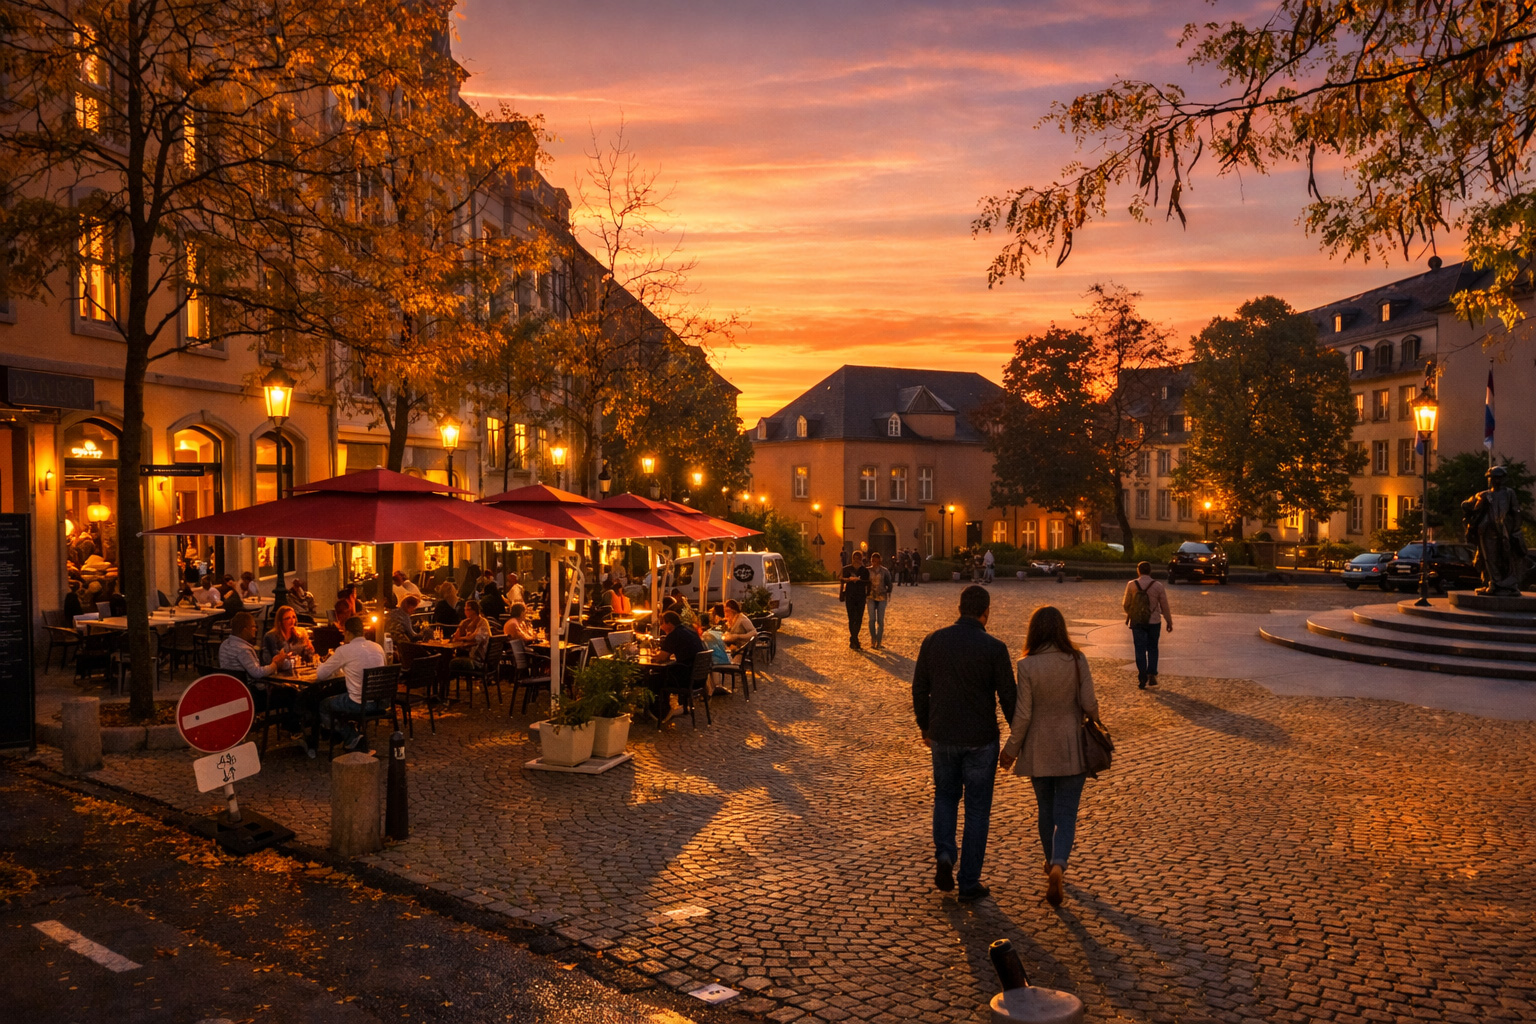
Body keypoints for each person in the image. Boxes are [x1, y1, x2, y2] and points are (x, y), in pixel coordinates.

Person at [911, 585, 1017, 903]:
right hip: (980, 739)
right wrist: (1018, 738)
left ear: (959, 609)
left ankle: (945, 854)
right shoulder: (995, 648)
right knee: (977, 810)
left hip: (943, 735)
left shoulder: (933, 641)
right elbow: (1009, 698)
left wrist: (925, 725)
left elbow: (919, 688)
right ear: (986, 612)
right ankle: (969, 882)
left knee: (945, 797)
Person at [999, 606, 1101, 906]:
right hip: (1072, 746)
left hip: (1038, 747)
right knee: (1066, 813)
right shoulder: (1077, 660)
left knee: (1045, 810)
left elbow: (1023, 714)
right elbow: (1089, 703)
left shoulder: (1027, 665)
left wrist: (1010, 750)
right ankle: (1059, 864)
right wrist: (1094, 718)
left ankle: (1049, 861)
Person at [316, 616, 387, 752]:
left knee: (324, 705)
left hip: (359, 704)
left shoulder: (344, 650)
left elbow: (321, 674)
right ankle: (339, 734)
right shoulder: (378, 647)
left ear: (347, 632)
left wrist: (321, 664)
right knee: (341, 697)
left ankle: (349, 736)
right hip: (380, 702)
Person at [1463, 464, 1527, 595]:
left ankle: (1510, 585)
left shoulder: (1509, 493)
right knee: (1489, 559)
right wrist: (1472, 505)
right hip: (1486, 532)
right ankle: (1493, 583)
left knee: (1507, 558)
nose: (1495, 480)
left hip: (1504, 532)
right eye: (1492, 478)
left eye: (1498, 477)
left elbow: (1516, 511)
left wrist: (1515, 530)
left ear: (1503, 479)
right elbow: (1466, 505)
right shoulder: (1483, 495)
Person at [1123, 560, 1173, 689]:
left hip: (1138, 622)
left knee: (1139, 649)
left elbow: (1126, 604)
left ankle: (1142, 676)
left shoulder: (1131, 585)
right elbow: (1164, 606)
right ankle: (1152, 673)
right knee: (1153, 648)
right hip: (1154, 621)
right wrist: (1169, 621)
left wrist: (1134, 613)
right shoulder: (1158, 586)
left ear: (1138, 571)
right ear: (1150, 571)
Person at [653, 610, 705, 724]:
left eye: (662, 623)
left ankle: (660, 711)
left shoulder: (674, 635)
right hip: (699, 678)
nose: (661, 627)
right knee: (663, 674)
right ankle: (665, 709)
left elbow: (662, 657)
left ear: (669, 623)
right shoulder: (690, 631)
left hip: (685, 679)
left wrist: (652, 655)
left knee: (654, 678)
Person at [449, 598, 491, 677]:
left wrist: (461, 638)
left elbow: (475, 637)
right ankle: (445, 680)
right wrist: (459, 631)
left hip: (478, 658)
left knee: (448, 660)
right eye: (464, 609)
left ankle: (446, 679)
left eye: (467, 609)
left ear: (474, 610)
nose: (465, 611)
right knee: (446, 657)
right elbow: (455, 637)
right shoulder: (466, 622)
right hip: (468, 653)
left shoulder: (482, 622)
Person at [840, 550, 870, 649]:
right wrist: (848, 580)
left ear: (861, 559)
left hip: (861, 596)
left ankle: (854, 638)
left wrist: (859, 580)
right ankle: (854, 639)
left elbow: (867, 582)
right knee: (851, 618)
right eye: (855, 558)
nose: (856, 560)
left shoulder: (864, 571)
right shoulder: (847, 569)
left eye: (858, 558)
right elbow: (841, 580)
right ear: (852, 559)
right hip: (850, 596)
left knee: (859, 618)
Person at [866, 551, 893, 650]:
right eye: (873, 561)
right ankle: (873, 638)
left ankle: (879, 640)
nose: (875, 563)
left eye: (876, 561)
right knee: (872, 619)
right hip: (871, 596)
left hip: (882, 596)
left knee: (880, 620)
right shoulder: (867, 571)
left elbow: (889, 583)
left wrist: (889, 590)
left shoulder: (885, 571)